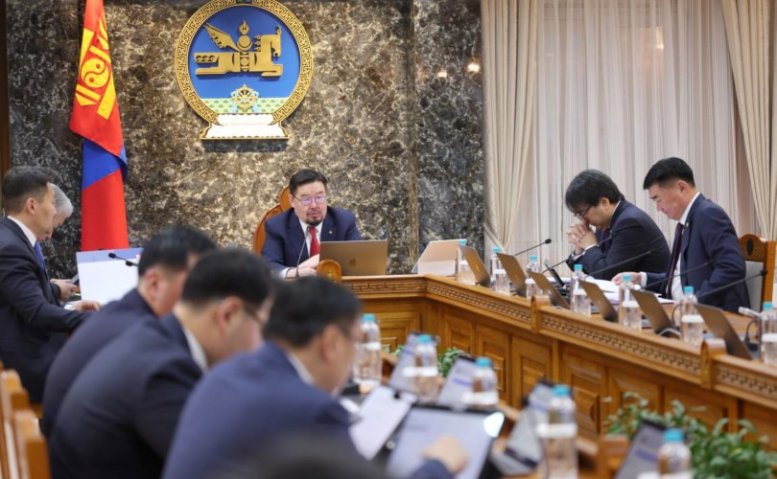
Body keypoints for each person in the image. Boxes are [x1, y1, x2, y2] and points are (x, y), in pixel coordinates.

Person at [162, 277, 468, 479]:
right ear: (330, 342)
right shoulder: (313, 410)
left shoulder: (227, 371)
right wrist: (439, 466)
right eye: (356, 342)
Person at [48, 248, 276, 479]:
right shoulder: (166, 370)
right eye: (264, 329)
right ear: (229, 314)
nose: (263, 346)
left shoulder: (153, 336)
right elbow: (213, 468)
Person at [42, 225, 216, 435]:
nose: (208, 301)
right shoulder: (143, 341)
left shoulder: (120, 314)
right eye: (197, 286)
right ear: (154, 284)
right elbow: (191, 443)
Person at [0, 166, 98, 402]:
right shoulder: (11, 248)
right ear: (32, 206)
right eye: (52, 202)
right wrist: (97, 319)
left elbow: (25, 300)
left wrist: (70, 310)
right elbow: (36, 312)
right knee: (110, 383)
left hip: (35, 354)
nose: (55, 210)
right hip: (29, 367)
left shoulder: (12, 238)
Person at [615, 157, 748, 312]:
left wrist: (694, 301)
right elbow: (679, 278)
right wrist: (641, 278)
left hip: (711, 315)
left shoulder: (708, 214)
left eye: (658, 199)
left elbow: (732, 267)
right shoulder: (686, 221)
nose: (658, 208)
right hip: (678, 310)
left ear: (681, 188)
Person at [564, 169, 670, 279]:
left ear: (604, 202)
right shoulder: (605, 223)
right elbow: (590, 270)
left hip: (649, 290)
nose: (583, 220)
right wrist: (579, 248)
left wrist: (590, 246)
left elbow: (606, 275)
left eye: (582, 212)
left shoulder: (630, 223)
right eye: (578, 214)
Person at [261, 169, 361, 277]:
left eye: (319, 198)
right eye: (306, 200)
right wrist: (296, 272)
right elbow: (269, 267)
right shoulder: (277, 226)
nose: (314, 205)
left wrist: (320, 259)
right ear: (292, 201)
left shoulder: (344, 221)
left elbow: (359, 258)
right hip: (297, 287)